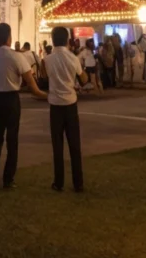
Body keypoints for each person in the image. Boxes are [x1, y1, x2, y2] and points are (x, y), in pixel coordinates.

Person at [0, 22, 47, 189]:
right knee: (12, 140)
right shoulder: (18, 57)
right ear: (10, 37)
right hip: (11, 100)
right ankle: (8, 179)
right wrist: (49, 96)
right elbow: (33, 87)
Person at [44, 26, 86, 193]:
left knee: (57, 145)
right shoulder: (73, 58)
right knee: (74, 145)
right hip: (70, 104)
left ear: (53, 40)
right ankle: (78, 182)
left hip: (55, 105)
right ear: (67, 40)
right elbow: (83, 79)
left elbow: (44, 77)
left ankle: (58, 182)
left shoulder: (47, 59)